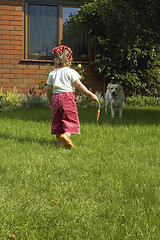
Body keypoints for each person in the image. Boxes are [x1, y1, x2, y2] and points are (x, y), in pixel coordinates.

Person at [46, 45, 98, 149]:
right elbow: (79, 86)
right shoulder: (71, 72)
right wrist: (90, 95)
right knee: (71, 119)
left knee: (57, 121)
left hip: (56, 99)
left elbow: (48, 89)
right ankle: (66, 135)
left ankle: (59, 144)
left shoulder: (52, 73)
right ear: (69, 59)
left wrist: (50, 101)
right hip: (67, 99)